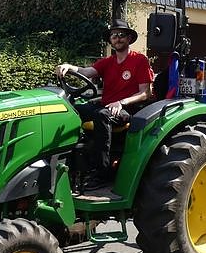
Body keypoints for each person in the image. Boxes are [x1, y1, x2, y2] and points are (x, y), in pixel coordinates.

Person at [55, 19, 154, 185]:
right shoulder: (108, 62)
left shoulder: (139, 60)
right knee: (72, 109)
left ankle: (102, 172)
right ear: (110, 40)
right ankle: (70, 161)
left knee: (101, 115)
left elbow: (145, 93)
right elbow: (87, 71)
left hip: (129, 109)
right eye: (114, 36)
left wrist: (121, 102)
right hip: (107, 105)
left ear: (129, 38)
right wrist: (68, 66)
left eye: (122, 35)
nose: (118, 39)